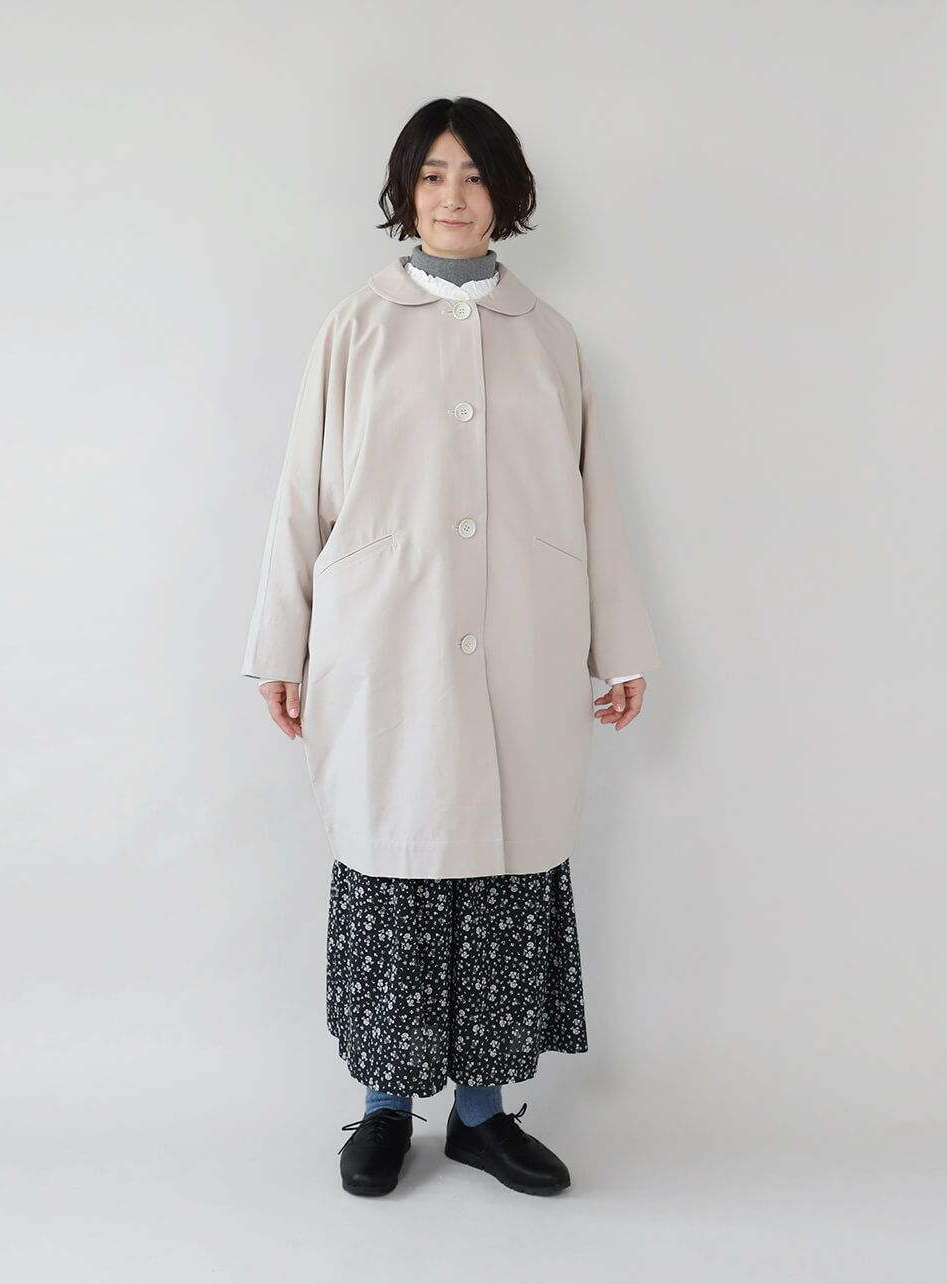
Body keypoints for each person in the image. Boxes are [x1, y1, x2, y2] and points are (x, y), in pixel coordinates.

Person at [241, 97, 660, 1198]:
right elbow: (301, 495)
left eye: (473, 176)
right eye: (431, 175)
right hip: (385, 638)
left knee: (507, 869)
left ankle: (480, 1115)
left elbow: (593, 498)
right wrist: (280, 644)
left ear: (506, 193)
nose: (453, 196)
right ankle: (385, 1107)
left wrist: (618, 644)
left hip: (524, 636)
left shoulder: (548, 336)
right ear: (404, 191)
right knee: (396, 858)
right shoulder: (355, 328)